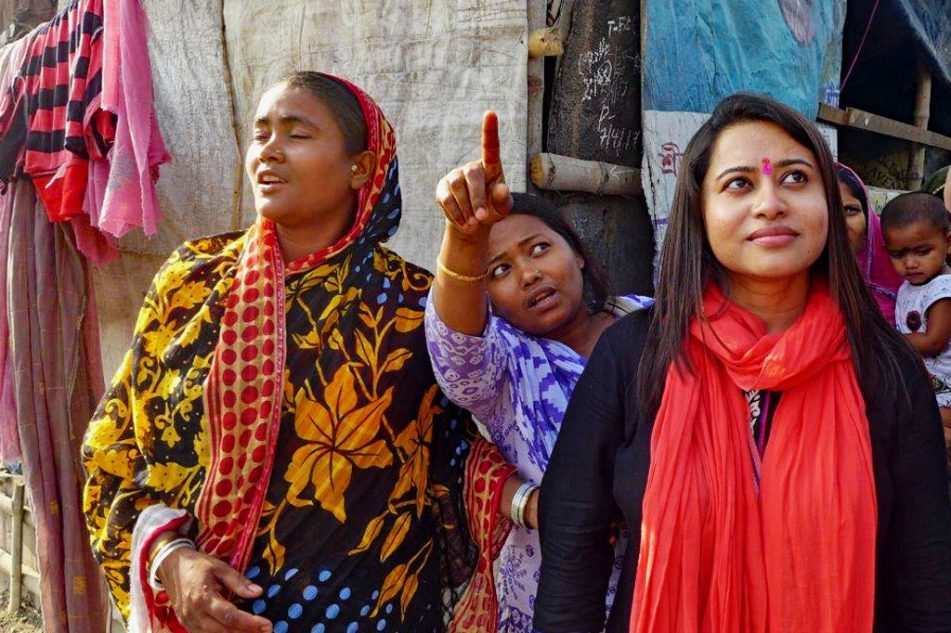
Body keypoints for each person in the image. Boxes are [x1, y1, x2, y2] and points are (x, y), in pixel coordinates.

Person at [81, 72, 487, 633]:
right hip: (193, 615)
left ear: (361, 168)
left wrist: (468, 245)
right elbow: (114, 445)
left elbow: (473, 434)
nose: (268, 150)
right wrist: (168, 556)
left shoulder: (413, 307)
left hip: (367, 615)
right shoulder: (192, 280)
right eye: (260, 133)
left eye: (296, 134)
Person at [534, 94, 951, 633]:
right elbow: (572, 540)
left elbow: (927, 571)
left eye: (796, 179)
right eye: (739, 184)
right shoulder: (635, 355)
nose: (770, 203)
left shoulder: (886, 367)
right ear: (700, 212)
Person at [425, 113, 651, 633]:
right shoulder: (506, 367)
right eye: (499, 270)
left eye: (539, 249)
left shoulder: (651, 320)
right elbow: (454, 350)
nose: (528, 274)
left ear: (576, 251)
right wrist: (463, 242)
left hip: (671, 583)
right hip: (556, 600)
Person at [881, 192, 951, 462]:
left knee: (918, 419)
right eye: (898, 255)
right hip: (927, 382)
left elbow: (934, 341)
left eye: (922, 252)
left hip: (945, 384)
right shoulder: (910, 286)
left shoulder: (943, 289)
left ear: (947, 242)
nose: (910, 263)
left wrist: (885, 338)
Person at [835, 162, 903, 325]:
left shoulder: (912, 273)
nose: (838, 223)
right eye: (828, 211)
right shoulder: (786, 291)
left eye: (850, 210)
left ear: (868, 220)